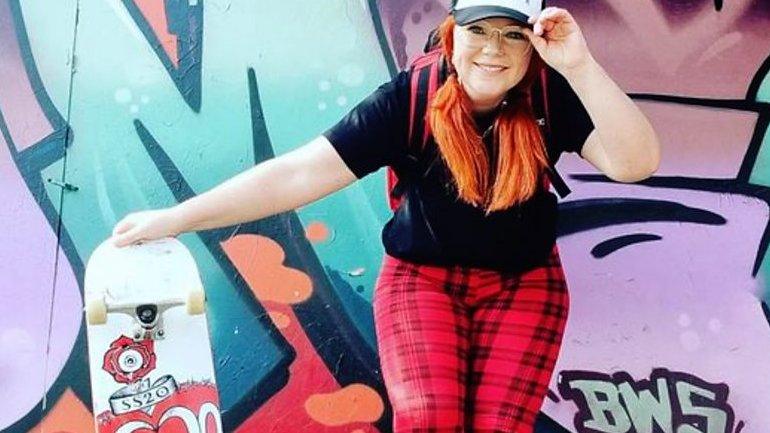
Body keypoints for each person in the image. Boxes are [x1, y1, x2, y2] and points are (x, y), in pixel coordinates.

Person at [112, 1, 660, 432]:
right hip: (423, 282)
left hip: (524, 285)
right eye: (478, 31)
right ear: (453, 33)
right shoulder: (413, 97)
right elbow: (298, 174)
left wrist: (579, 66)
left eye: (513, 34)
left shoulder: (547, 94)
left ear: (532, 46)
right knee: (427, 421)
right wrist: (178, 218)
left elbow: (635, 162)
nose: (494, 50)